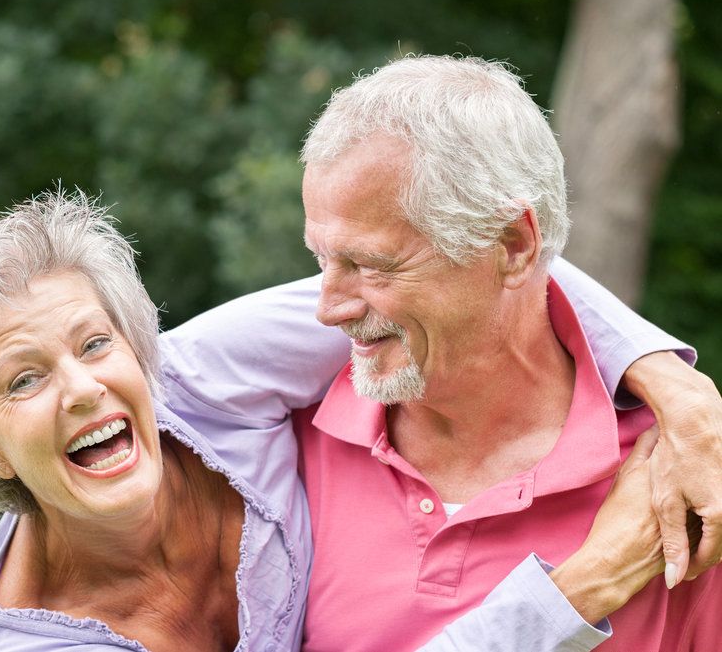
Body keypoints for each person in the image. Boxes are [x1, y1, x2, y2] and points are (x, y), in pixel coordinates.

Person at [0, 189, 706, 652]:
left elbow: (475, 274)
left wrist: (682, 397)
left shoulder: (202, 376)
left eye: (96, 342)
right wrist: (583, 583)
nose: (81, 388)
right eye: (25, 379)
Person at [268, 55, 720, 650]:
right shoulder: (276, 445)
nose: (327, 309)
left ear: (512, 246)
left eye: (370, 265)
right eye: (322, 260)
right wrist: (579, 591)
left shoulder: (684, 482)